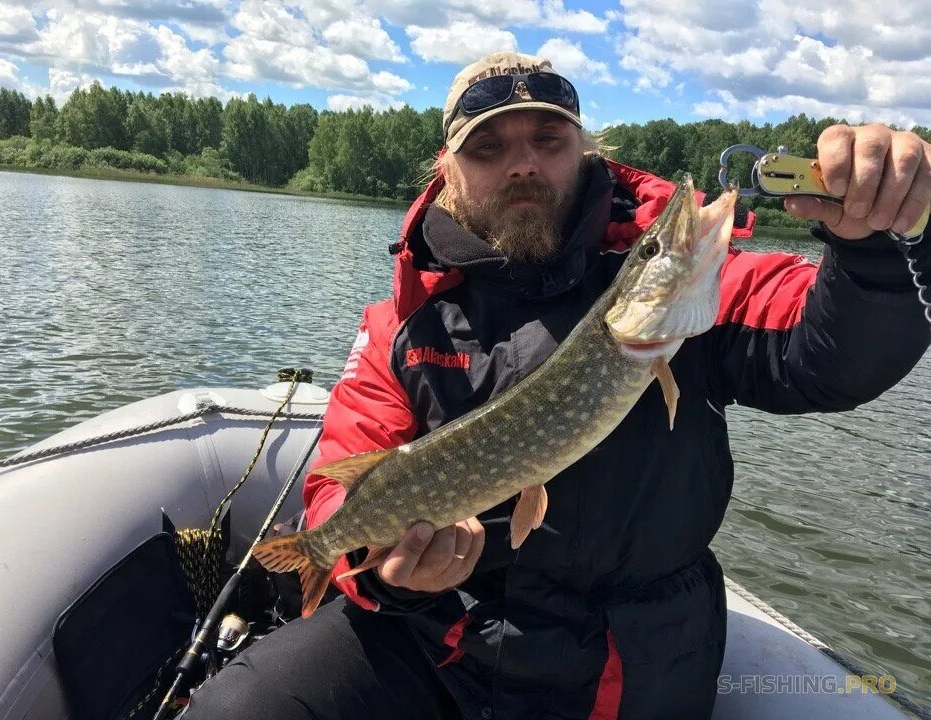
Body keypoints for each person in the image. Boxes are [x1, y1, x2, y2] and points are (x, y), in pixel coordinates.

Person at [186, 51, 931, 719]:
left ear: (581, 152)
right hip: (442, 638)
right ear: (447, 170)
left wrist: (869, 252)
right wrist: (384, 573)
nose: (524, 164)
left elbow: (829, 357)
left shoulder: (685, 301)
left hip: (628, 661)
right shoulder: (404, 322)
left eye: (548, 140)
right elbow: (345, 474)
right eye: (489, 147)